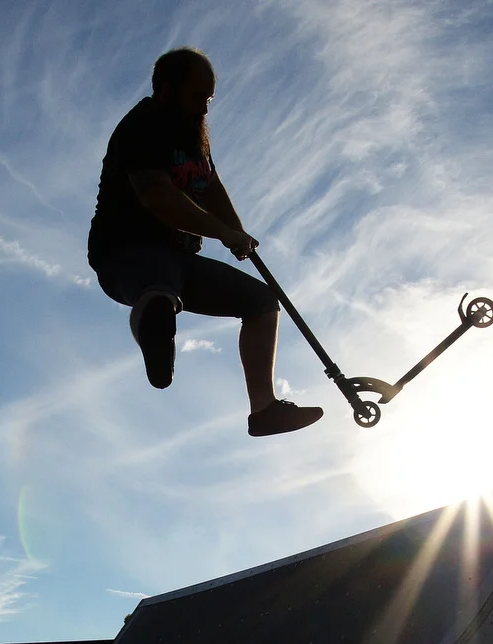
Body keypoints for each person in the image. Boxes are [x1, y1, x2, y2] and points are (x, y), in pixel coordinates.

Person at [87, 47, 323, 437]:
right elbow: (157, 196)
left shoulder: (193, 133)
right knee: (159, 286)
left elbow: (209, 185)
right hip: (125, 252)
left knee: (262, 301)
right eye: (198, 97)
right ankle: (154, 327)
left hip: (179, 259)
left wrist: (237, 232)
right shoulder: (142, 126)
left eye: (209, 99)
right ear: (167, 89)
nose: (205, 108)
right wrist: (222, 232)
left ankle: (264, 411)